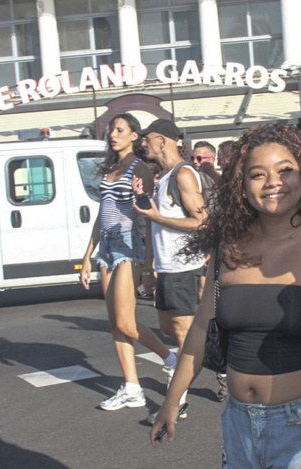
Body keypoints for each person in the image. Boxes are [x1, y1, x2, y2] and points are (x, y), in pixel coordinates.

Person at [148, 123, 301, 468]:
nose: (273, 182)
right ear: (241, 185)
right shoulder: (229, 246)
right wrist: (172, 399)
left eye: (285, 171)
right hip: (238, 424)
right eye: (258, 174)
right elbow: (201, 329)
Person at [80, 113, 176, 411]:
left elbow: (147, 217)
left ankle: (170, 359)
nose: (113, 134)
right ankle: (132, 387)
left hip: (129, 243)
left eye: (120, 130)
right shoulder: (111, 168)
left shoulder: (140, 168)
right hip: (107, 245)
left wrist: (149, 265)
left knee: (125, 320)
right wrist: (87, 256)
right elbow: (101, 214)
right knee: (115, 323)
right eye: (112, 130)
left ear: (134, 136)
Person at [133, 119, 207, 420]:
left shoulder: (184, 174)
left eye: (147, 139)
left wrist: (158, 217)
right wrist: (150, 269)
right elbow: (152, 223)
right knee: (168, 327)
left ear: (162, 140)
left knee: (183, 333)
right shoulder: (161, 177)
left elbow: (202, 222)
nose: (143, 144)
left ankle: (178, 401)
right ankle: (216, 361)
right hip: (167, 266)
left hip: (184, 265)